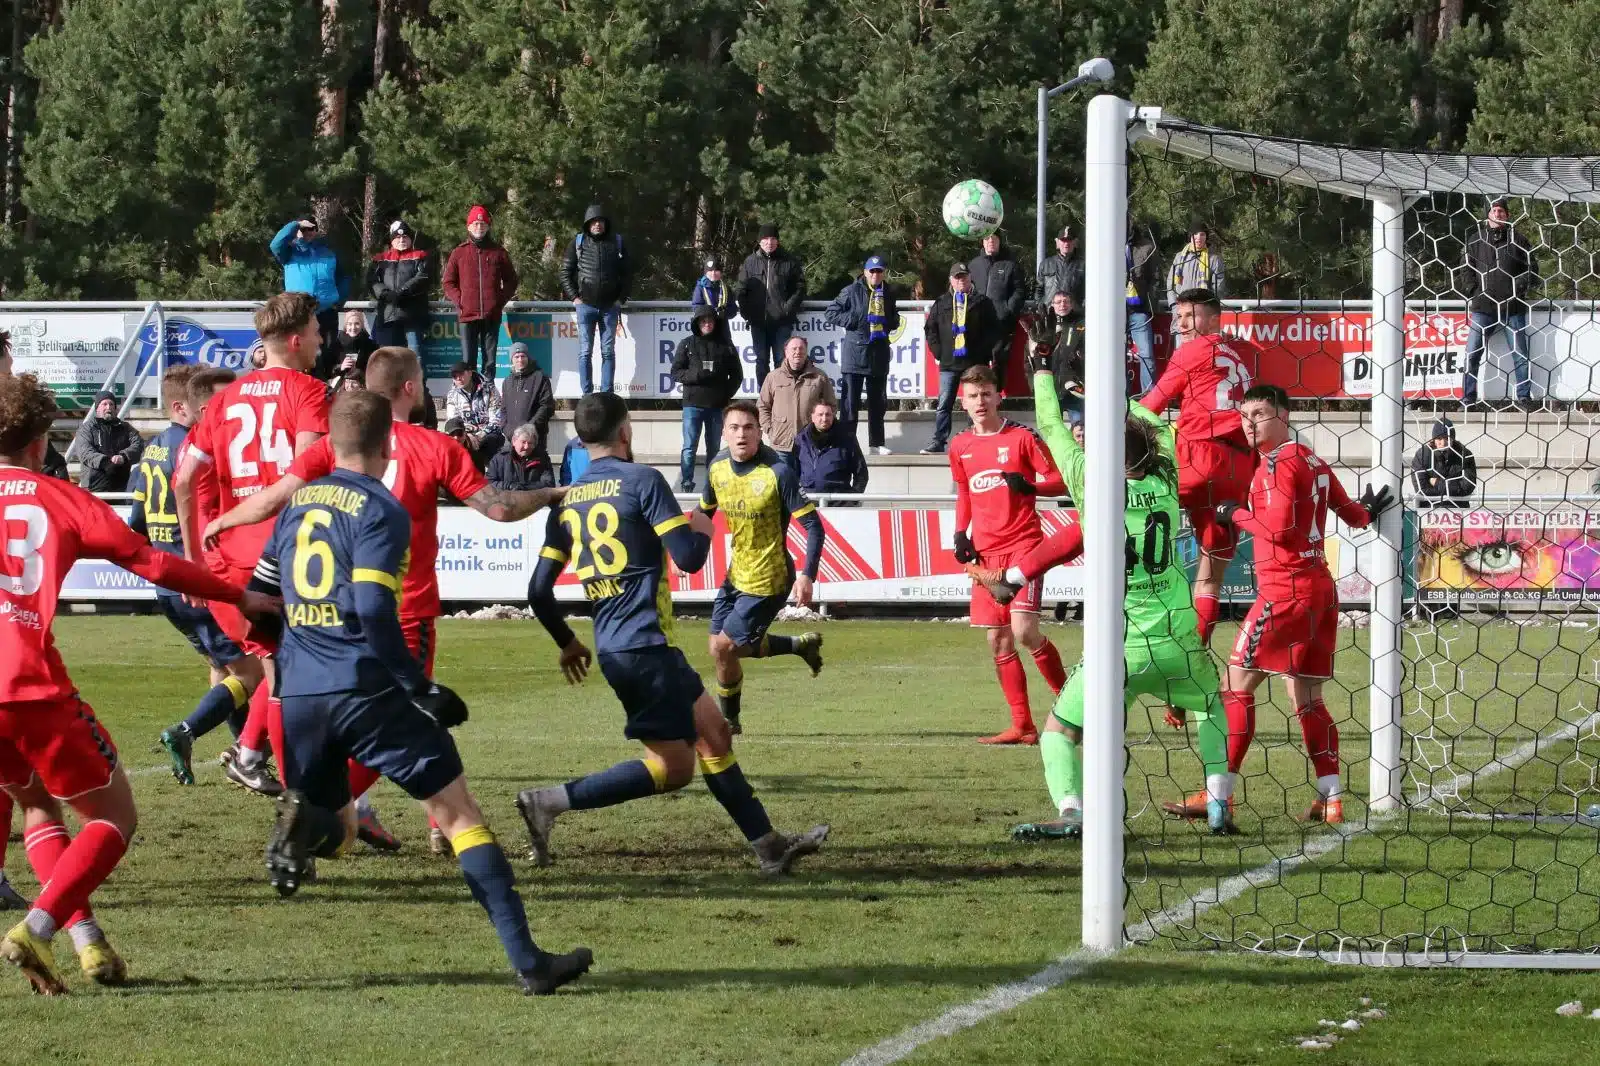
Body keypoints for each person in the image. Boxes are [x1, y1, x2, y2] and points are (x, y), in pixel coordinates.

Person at [250, 389, 591, 995]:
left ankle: (305, 826)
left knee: (336, 826)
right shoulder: (381, 509)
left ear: (330, 442)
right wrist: (419, 687)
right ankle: (530, 963)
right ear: (388, 445)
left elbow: (260, 598)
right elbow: (375, 608)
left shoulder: (297, 505)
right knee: (460, 815)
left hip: (301, 693)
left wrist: (289, 660)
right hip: (365, 688)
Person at [204, 346, 565, 853]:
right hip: (405, 613)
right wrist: (551, 494)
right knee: (396, 725)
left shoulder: (336, 445)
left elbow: (277, 495)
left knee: (374, 721)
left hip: (338, 616)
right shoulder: (435, 446)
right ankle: (307, 821)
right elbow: (499, 509)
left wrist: (225, 519)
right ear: (412, 389)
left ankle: (428, 825)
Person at [0, 371, 273, 994]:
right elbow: (153, 561)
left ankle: (90, 944)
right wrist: (239, 594)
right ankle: (35, 929)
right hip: (34, 688)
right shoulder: (59, 498)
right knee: (113, 815)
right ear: (42, 442)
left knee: (37, 803)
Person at [519, 392, 829, 875]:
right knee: (674, 766)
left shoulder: (568, 500)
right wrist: (702, 526)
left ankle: (769, 847)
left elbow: (539, 591)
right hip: (647, 648)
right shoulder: (642, 480)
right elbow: (687, 557)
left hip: (620, 648)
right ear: (625, 432)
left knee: (713, 739)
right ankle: (550, 802)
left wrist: (568, 642)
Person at [174, 291, 332, 798]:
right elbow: (302, 476)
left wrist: (195, 562)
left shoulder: (221, 401)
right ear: (294, 339)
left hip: (231, 561)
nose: (320, 338)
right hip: (286, 555)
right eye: (314, 330)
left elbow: (183, 482)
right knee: (306, 677)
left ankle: (250, 756)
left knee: (278, 667)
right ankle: (304, 797)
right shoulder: (308, 392)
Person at [1212, 385, 1392, 826]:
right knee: (1307, 697)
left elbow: (1277, 531)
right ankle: (1330, 798)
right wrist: (1368, 509)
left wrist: (1232, 512)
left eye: (1259, 413)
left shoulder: (1279, 464)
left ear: (1284, 416)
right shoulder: (1313, 460)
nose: (1249, 422)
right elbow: (1354, 516)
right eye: (1244, 414)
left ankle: (1219, 797)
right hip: (1320, 594)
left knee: (1233, 689)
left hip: (1283, 592)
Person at [134, 366, 265, 786]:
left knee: (222, 668)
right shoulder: (192, 448)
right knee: (256, 672)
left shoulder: (153, 447)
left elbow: (136, 517)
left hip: (165, 579)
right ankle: (191, 733)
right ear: (184, 407)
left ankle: (243, 753)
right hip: (197, 577)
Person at [948, 366, 1068, 745]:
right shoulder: (960, 446)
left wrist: (1030, 485)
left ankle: (1076, 708)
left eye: (986, 394)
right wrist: (959, 532)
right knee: (998, 641)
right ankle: (1023, 725)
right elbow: (966, 493)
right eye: (972, 396)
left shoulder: (1021, 438)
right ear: (962, 402)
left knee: (1024, 631)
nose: (980, 402)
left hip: (1024, 546)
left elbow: (1060, 479)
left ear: (999, 396)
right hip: (986, 552)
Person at [1140, 287, 1261, 649]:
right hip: (1240, 466)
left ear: (1211, 317)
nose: (1182, 325)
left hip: (1199, 456)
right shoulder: (1245, 353)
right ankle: (1193, 660)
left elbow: (1151, 406)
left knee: (1128, 508)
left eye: (1188, 317)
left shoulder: (1190, 351)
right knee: (1210, 576)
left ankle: (1141, 605)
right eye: (1178, 318)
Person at [698, 400, 826, 735]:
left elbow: (814, 526)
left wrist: (807, 575)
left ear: (760, 431)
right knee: (719, 649)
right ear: (724, 433)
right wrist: (687, 552)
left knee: (726, 647)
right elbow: (704, 512)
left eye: (749, 427)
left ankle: (729, 723)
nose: (742, 435)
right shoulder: (716, 468)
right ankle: (799, 645)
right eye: (734, 428)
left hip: (770, 577)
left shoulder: (777, 472)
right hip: (736, 572)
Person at [1460, 198, 1538, 409]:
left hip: (1513, 308)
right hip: (1483, 308)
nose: (1498, 213)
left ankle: (1523, 398)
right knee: (1472, 354)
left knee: (1520, 355)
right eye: (1494, 210)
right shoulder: (1475, 241)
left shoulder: (1519, 240)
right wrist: (1473, 291)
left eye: (1502, 211)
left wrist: (1518, 287)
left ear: (1508, 215)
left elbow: (1532, 270)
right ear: (1488, 214)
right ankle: (1468, 399)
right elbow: (1465, 270)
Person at [921, 262, 998, 455]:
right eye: (957, 277)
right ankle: (939, 441)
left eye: (964, 276)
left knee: (975, 402)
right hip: (949, 362)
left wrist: (983, 353)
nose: (961, 280)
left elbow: (994, 330)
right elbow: (930, 329)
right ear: (951, 280)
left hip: (974, 363)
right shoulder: (942, 302)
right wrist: (938, 352)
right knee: (944, 403)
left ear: (970, 278)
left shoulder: (982, 302)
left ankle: (977, 439)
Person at [825, 255, 898, 455]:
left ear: (883, 273)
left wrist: (891, 321)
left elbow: (894, 316)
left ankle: (876, 443)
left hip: (878, 352)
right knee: (850, 405)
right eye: (872, 271)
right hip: (855, 354)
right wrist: (856, 319)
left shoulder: (888, 292)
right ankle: (848, 444)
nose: (875, 274)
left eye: (879, 271)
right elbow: (830, 312)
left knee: (878, 403)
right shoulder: (851, 291)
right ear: (865, 272)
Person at [560, 204, 631, 395]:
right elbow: (565, 272)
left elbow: (627, 274)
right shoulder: (578, 242)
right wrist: (575, 298)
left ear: (606, 223)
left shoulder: (617, 242)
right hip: (585, 307)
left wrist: (620, 299)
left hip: (610, 307)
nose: (597, 225)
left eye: (600, 221)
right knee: (585, 352)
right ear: (587, 224)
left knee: (608, 352)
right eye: (593, 221)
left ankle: (607, 394)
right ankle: (587, 394)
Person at [672, 304, 743, 492]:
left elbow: (737, 375)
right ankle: (686, 482)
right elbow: (676, 372)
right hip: (692, 404)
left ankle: (711, 486)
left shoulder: (726, 345)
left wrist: (725, 393)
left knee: (714, 448)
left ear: (715, 323)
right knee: (689, 448)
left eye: (710, 320)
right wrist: (695, 375)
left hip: (717, 405)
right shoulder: (687, 343)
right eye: (703, 321)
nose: (707, 324)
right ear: (697, 323)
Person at [443, 205, 519, 380]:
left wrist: (498, 300)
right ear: (469, 226)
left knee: (489, 361)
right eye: (476, 224)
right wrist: (459, 300)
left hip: (491, 315)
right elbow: (448, 282)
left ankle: (488, 396)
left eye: (483, 224)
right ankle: (469, 399)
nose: (479, 227)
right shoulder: (459, 252)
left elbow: (511, 280)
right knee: (468, 360)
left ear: (488, 227)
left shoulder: (498, 252)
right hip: (467, 315)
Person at [270, 216, 346, 368]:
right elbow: (275, 244)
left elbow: (343, 277)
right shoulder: (288, 252)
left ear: (316, 231)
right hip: (299, 310)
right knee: (299, 349)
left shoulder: (328, 253)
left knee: (329, 351)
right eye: (303, 229)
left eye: (311, 229)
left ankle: (327, 387)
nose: (307, 232)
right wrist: (296, 224)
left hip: (326, 311)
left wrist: (339, 300)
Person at [737, 224, 806, 388]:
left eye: (773, 238)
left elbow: (800, 287)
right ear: (759, 241)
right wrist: (747, 313)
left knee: (781, 360)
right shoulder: (750, 262)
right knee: (761, 361)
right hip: (758, 322)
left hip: (782, 322)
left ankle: (781, 396)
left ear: (778, 241)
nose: (770, 242)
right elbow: (740, 289)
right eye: (766, 239)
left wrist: (787, 308)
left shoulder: (789, 261)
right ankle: (764, 398)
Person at [758, 336, 837, 467]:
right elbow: (762, 406)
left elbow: (831, 406)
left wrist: (820, 430)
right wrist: (770, 429)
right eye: (793, 349)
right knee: (782, 484)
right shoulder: (773, 377)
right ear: (786, 352)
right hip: (781, 446)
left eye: (801, 348)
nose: (797, 352)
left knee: (807, 486)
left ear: (806, 352)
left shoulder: (819, 377)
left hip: (810, 444)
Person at [966, 233, 1026, 391]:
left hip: (1001, 323)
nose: (990, 242)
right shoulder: (974, 265)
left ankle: (996, 395)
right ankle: (981, 394)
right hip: (978, 323)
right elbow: (968, 290)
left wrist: (1007, 310)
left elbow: (1019, 291)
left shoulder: (1010, 264)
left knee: (999, 360)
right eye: (987, 239)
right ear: (982, 242)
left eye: (994, 239)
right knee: (979, 361)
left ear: (999, 241)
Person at [367, 219, 432, 352]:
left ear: (410, 239)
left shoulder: (420, 256)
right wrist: (385, 293)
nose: (402, 240)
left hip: (413, 316)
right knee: (389, 358)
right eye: (398, 237)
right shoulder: (380, 259)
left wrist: (401, 292)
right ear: (391, 240)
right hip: (388, 315)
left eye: (405, 236)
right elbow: (371, 279)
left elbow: (423, 277)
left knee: (414, 357)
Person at [66, 391, 142, 493]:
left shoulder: (126, 428)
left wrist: (123, 456)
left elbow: (139, 444)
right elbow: (84, 452)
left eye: (111, 404)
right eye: (104, 404)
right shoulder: (87, 428)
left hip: (121, 487)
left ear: (115, 408)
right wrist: (105, 462)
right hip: (93, 488)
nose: (108, 407)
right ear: (97, 408)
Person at [796, 400, 868, 498]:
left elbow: (861, 473)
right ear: (812, 417)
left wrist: (852, 499)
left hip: (838, 504)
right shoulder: (801, 439)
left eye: (828, 414)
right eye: (820, 415)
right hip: (808, 503)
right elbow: (792, 473)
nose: (824, 418)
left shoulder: (847, 439)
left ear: (833, 416)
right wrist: (801, 498)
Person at [445, 361, 505, 470]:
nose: (458, 378)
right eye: (455, 376)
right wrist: (468, 435)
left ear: (470, 373)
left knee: (490, 442)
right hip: (466, 435)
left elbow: (496, 419)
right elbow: (453, 421)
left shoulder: (489, 390)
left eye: (461, 374)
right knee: (456, 443)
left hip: (488, 434)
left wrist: (479, 436)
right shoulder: (452, 395)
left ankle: (492, 478)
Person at [500, 342, 555, 457]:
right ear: (512, 360)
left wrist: (529, 429)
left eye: (523, 356)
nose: (520, 360)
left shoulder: (540, 378)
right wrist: (507, 430)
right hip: (511, 439)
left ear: (528, 358)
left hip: (534, 439)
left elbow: (547, 407)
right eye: (516, 356)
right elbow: (503, 410)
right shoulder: (507, 382)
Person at [1411, 418, 1477, 507]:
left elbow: (1467, 487)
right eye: (1439, 438)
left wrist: (1437, 483)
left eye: (1447, 438)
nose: (1443, 442)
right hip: (1429, 509)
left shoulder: (1464, 454)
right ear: (1433, 439)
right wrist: (1452, 489)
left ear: (1453, 438)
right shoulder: (1423, 454)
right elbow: (1421, 489)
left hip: (1457, 509)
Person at [1127, 223, 1161, 393]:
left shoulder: (1147, 247)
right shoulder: (1105, 244)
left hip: (1138, 311)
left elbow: (1156, 279)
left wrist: (1150, 306)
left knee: (1146, 355)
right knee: (1111, 356)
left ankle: (1149, 399)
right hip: (1112, 312)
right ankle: (1116, 397)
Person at [1166, 222, 1225, 310]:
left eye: (1202, 234)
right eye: (1195, 234)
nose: (1198, 238)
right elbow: (1170, 283)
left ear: (1206, 237)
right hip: (1181, 308)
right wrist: (1174, 304)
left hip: (1202, 309)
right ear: (1190, 236)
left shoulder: (1214, 259)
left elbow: (1218, 286)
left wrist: (1209, 306)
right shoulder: (1179, 257)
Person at [488, 424, 556, 491]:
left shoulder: (542, 458)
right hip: (507, 500)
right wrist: (510, 486)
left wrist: (524, 488)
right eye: (523, 442)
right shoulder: (500, 458)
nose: (526, 447)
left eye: (530, 443)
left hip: (534, 499)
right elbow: (489, 483)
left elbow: (549, 484)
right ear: (514, 441)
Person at [320, 309, 377, 387]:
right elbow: (326, 369)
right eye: (349, 324)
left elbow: (375, 369)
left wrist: (360, 372)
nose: (353, 327)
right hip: (340, 385)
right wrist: (340, 367)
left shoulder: (370, 345)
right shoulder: (336, 345)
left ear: (362, 326)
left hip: (362, 386)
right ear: (345, 327)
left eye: (357, 324)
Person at [690, 255, 738, 338]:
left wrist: (724, 312)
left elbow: (733, 309)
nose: (713, 273)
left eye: (716, 270)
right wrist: (710, 312)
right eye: (710, 270)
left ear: (720, 272)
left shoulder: (726, 288)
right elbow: (696, 307)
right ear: (705, 273)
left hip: (723, 329)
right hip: (706, 328)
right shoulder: (700, 287)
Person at [1036, 225, 1084, 307]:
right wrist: (1041, 306)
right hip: (1050, 314)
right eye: (1063, 240)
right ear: (1057, 242)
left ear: (1075, 242)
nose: (1066, 243)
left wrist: (1081, 308)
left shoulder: (1083, 265)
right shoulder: (1046, 264)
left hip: (1075, 315)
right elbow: (1038, 289)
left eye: (1069, 240)